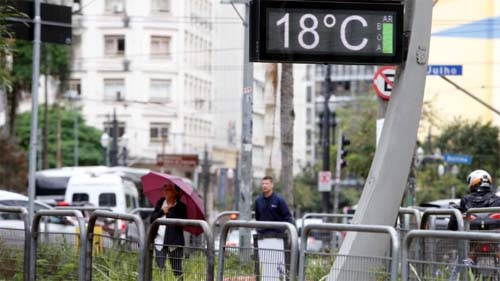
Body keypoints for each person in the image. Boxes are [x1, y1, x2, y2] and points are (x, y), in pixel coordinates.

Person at [254, 176, 294, 280]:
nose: (264, 186)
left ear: (272, 185)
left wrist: (285, 232)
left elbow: (288, 217)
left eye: (267, 183)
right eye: (263, 184)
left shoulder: (279, 200)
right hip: (263, 238)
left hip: (278, 238)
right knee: (265, 267)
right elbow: (258, 217)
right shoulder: (258, 200)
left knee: (279, 266)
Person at [150, 183, 187, 280]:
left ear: (175, 192)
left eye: (168, 189)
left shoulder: (181, 207)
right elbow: (152, 219)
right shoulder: (161, 202)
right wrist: (162, 211)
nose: (165, 191)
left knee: (177, 269)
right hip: (159, 240)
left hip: (174, 242)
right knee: (160, 268)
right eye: (164, 189)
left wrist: (170, 211)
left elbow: (182, 222)